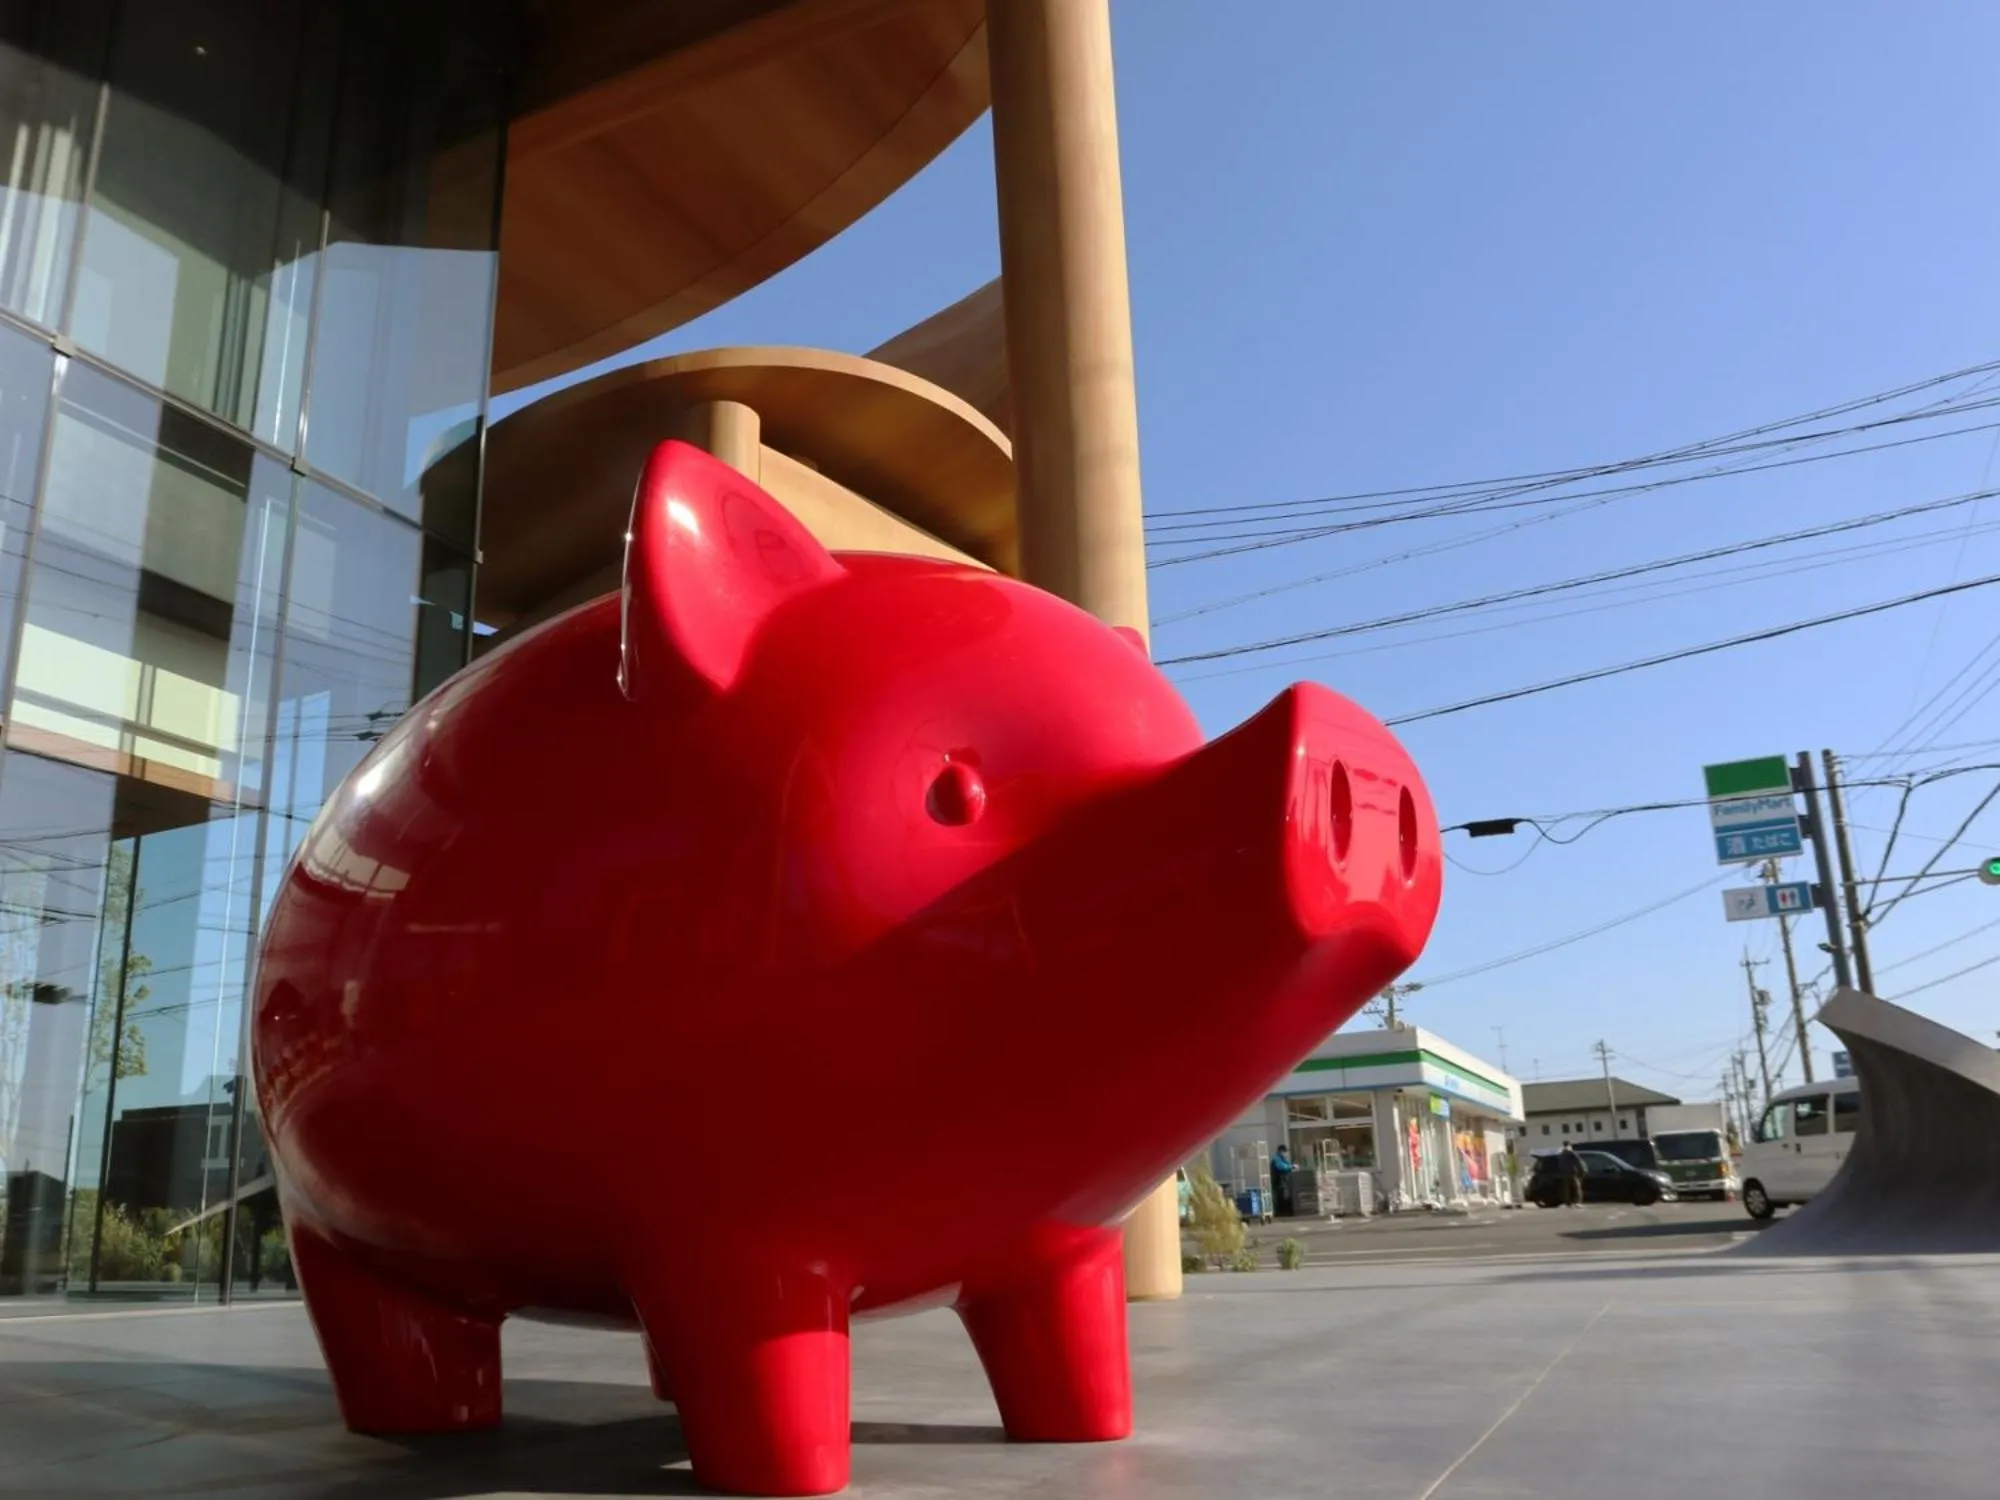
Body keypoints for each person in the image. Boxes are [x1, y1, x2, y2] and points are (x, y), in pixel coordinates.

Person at [1270, 1145, 1296, 1217]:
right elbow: (1281, 1167)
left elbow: (1287, 1165)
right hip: (1278, 1183)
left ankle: (1285, 1212)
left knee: (1285, 1197)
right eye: (1285, 1152)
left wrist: (1292, 1166)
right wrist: (1291, 1167)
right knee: (1281, 1197)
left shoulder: (1283, 1159)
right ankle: (1281, 1213)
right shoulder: (1276, 1159)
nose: (1286, 1154)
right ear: (1281, 1151)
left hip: (1284, 1183)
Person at [1557, 1142, 1586, 1208]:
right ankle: (1578, 1202)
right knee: (1577, 1188)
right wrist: (1582, 1171)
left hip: (1564, 1173)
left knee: (1566, 1189)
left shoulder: (1561, 1154)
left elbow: (1560, 1165)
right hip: (1573, 1173)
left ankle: (1568, 1203)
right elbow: (1579, 1161)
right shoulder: (1571, 1153)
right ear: (1569, 1146)